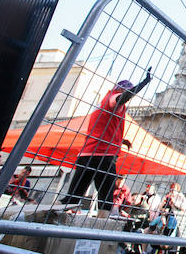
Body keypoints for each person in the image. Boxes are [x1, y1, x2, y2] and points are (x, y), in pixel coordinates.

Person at [61, 68, 152, 213]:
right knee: (106, 198)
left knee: (73, 196)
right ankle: (101, 228)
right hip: (103, 156)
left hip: (87, 154)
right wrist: (144, 83)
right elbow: (122, 98)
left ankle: (53, 220)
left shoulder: (105, 105)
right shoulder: (113, 99)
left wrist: (121, 140)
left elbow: (103, 128)